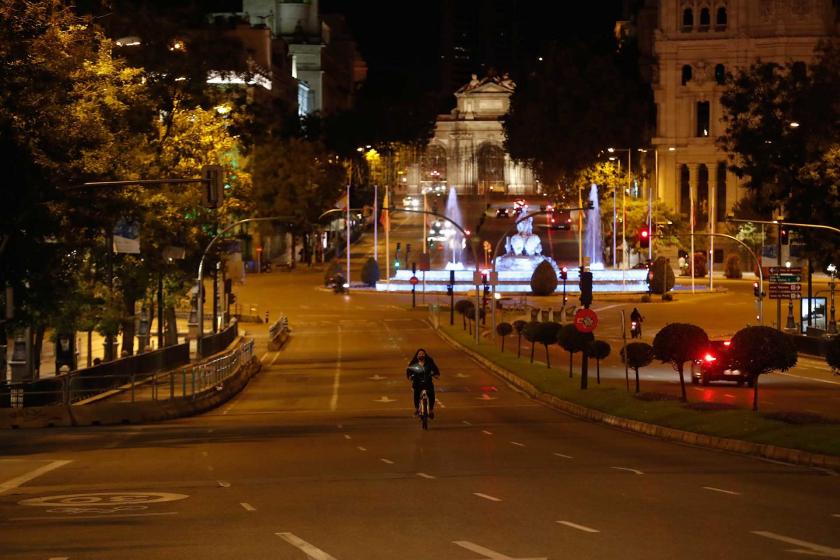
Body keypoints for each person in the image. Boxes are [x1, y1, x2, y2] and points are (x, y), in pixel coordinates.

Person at [406, 348, 440, 418]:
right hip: (417, 383)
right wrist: (410, 376)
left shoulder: (429, 363)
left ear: (425, 355)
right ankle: (416, 408)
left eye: (422, 354)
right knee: (416, 394)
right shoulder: (414, 364)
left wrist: (436, 375)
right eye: (419, 354)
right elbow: (409, 371)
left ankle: (431, 410)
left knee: (432, 394)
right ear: (417, 356)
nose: (421, 355)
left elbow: (435, 370)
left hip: (428, 383)